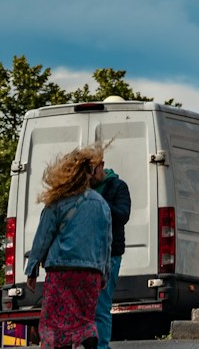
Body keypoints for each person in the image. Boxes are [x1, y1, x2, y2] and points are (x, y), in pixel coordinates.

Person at [25, 146, 111, 349]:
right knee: (84, 318)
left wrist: (32, 268)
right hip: (90, 273)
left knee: (55, 322)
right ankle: (89, 339)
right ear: (90, 173)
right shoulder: (102, 204)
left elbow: (43, 236)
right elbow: (106, 242)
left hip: (61, 271)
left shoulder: (58, 201)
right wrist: (104, 273)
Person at [90, 154, 131, 349]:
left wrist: (98, 202)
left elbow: (123, 215)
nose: (90, 175)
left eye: (93, 169)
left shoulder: (118, 186)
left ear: (102, 166)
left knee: (102, 305)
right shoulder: (85, 188)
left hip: (110, 254)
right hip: (87, 254)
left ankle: (102, 346)